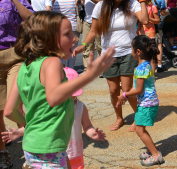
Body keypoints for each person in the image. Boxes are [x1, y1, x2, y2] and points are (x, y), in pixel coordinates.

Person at [3, 11, 115, 168]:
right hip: (48, 146)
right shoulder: (52, 62)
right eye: (67, 34)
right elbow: (54, 97)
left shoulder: (24, 66)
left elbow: (9, 111)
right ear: (48, 39)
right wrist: (89, 75)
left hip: (34, 144)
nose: (74, 39)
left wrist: (29, 126)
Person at [72, 0, 149, 131]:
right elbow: (94, 30)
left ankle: (138, 117)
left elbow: (144, 20)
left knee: (126, 89)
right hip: (109, 55)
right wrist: (83, 45)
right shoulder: (101, 6)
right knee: (113, 91)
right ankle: (119, 118)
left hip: (128, 52)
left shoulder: (132, 4)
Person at [2, 67, 107, 169]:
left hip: (75, 153)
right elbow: (38, 126)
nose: (73, 97)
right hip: (55, 154)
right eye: (69, 94)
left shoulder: (80, 107)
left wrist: (92, 133)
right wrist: (19, 132)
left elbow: (87, 126)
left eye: (74, 93)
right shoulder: (50, 108)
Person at [0, 0, 34, 167]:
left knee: (14, 107)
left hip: (14, 55)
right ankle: (2, 153)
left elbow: (32, 19)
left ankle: (31, 150)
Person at [117, 35, 163, 166]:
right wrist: (124, 97)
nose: (130, 53)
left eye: (131, 49)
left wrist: (124, 95)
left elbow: (138, 90)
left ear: (138, 51)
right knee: (139, 128)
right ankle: (153, 149)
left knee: (139, 130)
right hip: (148, 103)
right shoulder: (146, 64)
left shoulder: (141, 68)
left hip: (147, 104)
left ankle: (155, 155)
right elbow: (136, 87)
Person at [77, 0, 105, 72]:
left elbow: (102, 1)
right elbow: (88, 2)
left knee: (100, 46)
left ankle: (101, 69)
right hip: (87, 20)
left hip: (99, 20)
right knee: (86, 45)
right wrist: (81, 2)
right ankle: (88, 69)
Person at [53, 0, 80, 69]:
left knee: (62, 48)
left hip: (61, 28)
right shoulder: (74, 0)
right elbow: (79, 10)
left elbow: (54, 15)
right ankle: (71, 69)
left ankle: (63, 69)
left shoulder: (57, 1)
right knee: (73, 49)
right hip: (74, 27)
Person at [137, 0, 160, 73]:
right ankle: (142, 73)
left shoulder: (152, 7)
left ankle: (152, 74)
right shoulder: (137, 6)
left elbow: (157, 21)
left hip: (150, 34)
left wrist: (148, 18)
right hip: (140, 33)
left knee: (151, 55)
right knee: (140, 55)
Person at [148, 0, 168, 73]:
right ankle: (159, 65)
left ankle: (149, 65)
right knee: (159, 44)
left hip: (147, 26)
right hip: (157, 23)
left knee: (148, 45)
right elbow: (164, 11)